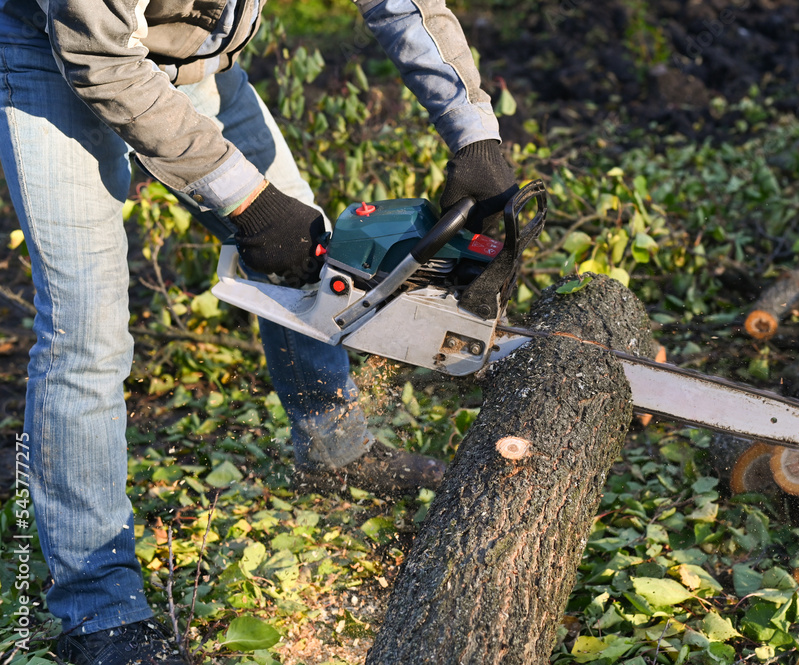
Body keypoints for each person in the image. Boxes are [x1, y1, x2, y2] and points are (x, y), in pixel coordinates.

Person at [0, 0, 516, 662]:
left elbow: (401, 4)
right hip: (57, 59)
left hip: (195, 65)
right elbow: (98, 55)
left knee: (316, 253)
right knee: (87, 333)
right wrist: (249, 202)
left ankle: (334, 446)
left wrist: (475, 136)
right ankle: (98, 607)